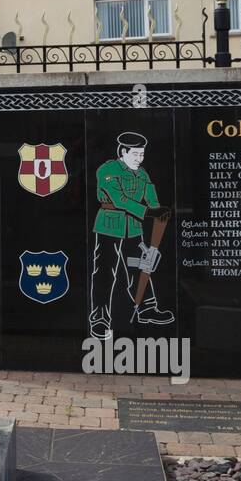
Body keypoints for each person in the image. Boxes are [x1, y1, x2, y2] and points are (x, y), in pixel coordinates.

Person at [89, 131, 174, 339]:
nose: (140, 159)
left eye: (142, 154)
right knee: (105, 270)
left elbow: (151, 198)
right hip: (110, 224)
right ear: (123, 151)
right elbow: (119, 200)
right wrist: (149, 212)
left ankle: (146, 308)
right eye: (135, 154)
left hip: (133, 228)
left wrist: (159, 210)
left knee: (139, 265)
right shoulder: (108, 169)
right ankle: (99, 317)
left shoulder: (142, 173)